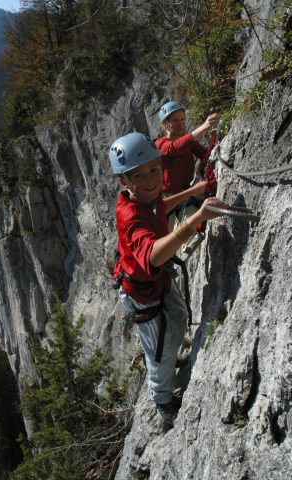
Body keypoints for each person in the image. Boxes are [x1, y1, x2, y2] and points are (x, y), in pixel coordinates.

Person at [109, 132, 227, 426]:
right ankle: (162, 401)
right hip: (142, 293)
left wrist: (193, 191)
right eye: (139, 175)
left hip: (154, 282)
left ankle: (171, 356)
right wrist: (194, 219)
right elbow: (151, 256)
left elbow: (160, 204)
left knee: (177, 317)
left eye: (153, 169)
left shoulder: (143, 198)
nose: (150, 179)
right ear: (124, 181)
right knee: (159, 347)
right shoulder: (130, 215)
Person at [155, 101, 220, 196]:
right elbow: (176, 147)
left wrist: (213, 139)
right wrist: (203, 127)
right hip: (169, 197)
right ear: (165, 124)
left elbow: (205, 154)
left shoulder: (185, 141)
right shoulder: (160, 144)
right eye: (176, 120)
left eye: (182, 119)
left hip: (187, 189)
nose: (180, 124)